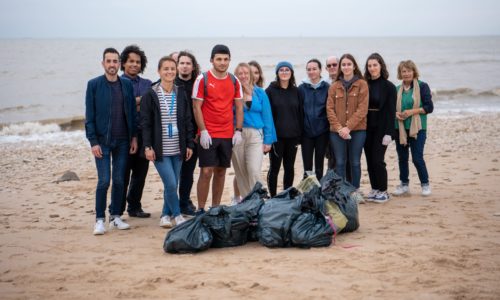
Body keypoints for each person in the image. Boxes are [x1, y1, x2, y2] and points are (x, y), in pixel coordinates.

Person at [85, 47, 137, 235]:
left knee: (119, 180)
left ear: (119, 64)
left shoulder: (126, 85)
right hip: (102, 142)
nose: (112, 65)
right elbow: (89, 117)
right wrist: (93, 142)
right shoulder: (94, 85)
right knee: (104, 180)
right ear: (103, 63)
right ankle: (99, 219)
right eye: (109, 61)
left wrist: (134, 137)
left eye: (115, 61)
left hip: (123, 140)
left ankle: (115, 216)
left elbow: (131, 113)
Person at [141, 56, 194, 227]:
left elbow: (187, 120)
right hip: (159, 149)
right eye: (166, 69)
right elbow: (146, 123)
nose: (170, 72)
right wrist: (147, 146)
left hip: (178, 148)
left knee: (172, 184)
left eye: (172, 68)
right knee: (171, 183)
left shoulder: (180, 92)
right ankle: (177, 215)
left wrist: (189, 144)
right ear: (159, 71)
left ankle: (165, 215)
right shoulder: (151, 93)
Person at [192, 44, 243, 214]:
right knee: (206, 171)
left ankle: (214, 207)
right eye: (219, 59)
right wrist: (203, 131)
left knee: (221, 172)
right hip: (208, 133)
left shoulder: (234, 80)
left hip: (227, 134)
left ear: (229, 60)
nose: (222, 62)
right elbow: (196, 107)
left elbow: (239, 107)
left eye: (226, 59)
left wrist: (238, 130)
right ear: (212, 60)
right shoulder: (203, 79)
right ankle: (200, 208)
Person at [231, 62, 276, 203]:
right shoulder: (232, 92)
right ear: (236, 76)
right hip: (236, 134)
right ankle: (248, 202)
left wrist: (268, 140)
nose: (243, 76)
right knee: (241, 172)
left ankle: (260, 199)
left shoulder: (260, 93)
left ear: (250, 75)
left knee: (253, 169)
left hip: (256, 135)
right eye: (240, 73)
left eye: (246, 73)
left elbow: (267, 116)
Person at [326, 53, 368, 193]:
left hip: (358, 130)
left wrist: (348, 127)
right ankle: (341, 192)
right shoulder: (334, 86)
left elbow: (362, 109)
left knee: (355, 162)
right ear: (340, 67)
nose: (346, 67)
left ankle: (355, 191)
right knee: (340, 162)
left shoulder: (362, 84)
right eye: (343, 64)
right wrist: (339, 128)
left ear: (354, 66)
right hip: (336, 132)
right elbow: (329, 109)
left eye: (349, 64)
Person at [119, 45, 152, 218]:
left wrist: (133, 102)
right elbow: (121, 107)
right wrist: (138, 101)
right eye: (131, 61)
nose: (134, 64)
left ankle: (134, 207)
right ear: (123, 63)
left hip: (143, 134)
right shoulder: (117, 82)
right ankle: (116, 209)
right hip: (123, 135)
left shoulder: (147, 83)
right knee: (122, 175)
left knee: (140, 174)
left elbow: (148, 107)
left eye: (138, 62)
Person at [393, 60, 434, 197]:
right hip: (400, 129)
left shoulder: (422, 86)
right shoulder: (397, 89)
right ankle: (404, 185)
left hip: (418, 128)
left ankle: (425, 184)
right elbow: (391, 108)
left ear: (414, 71)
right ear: (400, 73)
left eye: (409, 71)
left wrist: (411, 112)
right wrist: (396, 114)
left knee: (417, 158)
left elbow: (429, 108)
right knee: (402, 158)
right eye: (403, 71)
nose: (406, 74)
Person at [265, 61, 303, 197]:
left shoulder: (296, 91)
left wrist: (300, 135)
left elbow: (300, 114)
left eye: (287, 70)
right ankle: (273, 196)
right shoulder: (270, 91)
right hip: (276, 137)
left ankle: (287, 195)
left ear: (291, 73)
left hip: (292, 137)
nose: (284, 72)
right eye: (281, 70)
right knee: (274, 168)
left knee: (289, 167)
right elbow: (266, 115)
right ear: (277, 73)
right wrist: (267, 137)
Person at [363, 53, 397, 203]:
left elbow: (391, 112)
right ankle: (375, 188)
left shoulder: (389, 87)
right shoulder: (365, 84)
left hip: (381, 128)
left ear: (381, 66)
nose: (372, 68)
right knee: (369, 160)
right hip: (366, 127)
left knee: (378, 160)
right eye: (369, 66)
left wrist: (389, 133)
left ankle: (383, 191)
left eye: (375, 65)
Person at [175, 50, 201, 216]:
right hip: (173, 136)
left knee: (188, 173)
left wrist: (200, 131)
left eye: (188, 63)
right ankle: (171, 205)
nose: (184, 66)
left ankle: (184, 203)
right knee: (172, 174)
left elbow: (204, 109)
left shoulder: (198, 85)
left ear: (193, 67)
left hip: (194, 136)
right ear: (177, 66)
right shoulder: (170, 83)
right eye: (182, 63)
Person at [298, 58, 330, 181]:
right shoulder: (301, 88)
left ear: (320, 70)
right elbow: (299, 110)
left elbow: (329, 110)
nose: (311, 72)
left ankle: (319, 191)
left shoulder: (327, 87)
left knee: (319, 165)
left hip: (322, 132)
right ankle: (307, 192)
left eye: (314, 69)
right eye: (309, 69)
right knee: (307, 166)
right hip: (306, 133)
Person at [325, 56, 340, 171]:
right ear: (326, 68)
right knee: (331, 156)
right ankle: (331, 183)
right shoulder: (324, 83)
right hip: (327, 126)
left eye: (334, 64)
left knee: (345, 157)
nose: (332, 67)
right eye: (329, 65)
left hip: (345, 125)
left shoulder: (346, 82)